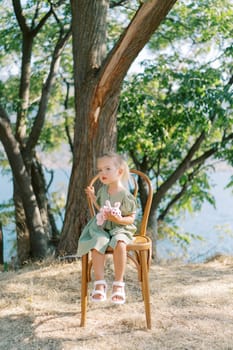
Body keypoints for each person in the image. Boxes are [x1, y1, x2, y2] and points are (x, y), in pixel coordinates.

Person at [77, 152, 137, 304]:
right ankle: (100, 283)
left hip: (121, 227)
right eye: (100, 170)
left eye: (107, 169)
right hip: (103, 227)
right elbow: (101, 208)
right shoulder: (103, 191)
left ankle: (118, 284)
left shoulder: (125, 194)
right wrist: (92, 198)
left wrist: (119, 219)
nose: (102, 173)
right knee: (98, 241)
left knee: (119, 242)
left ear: (120, 171)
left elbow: (131, 217)